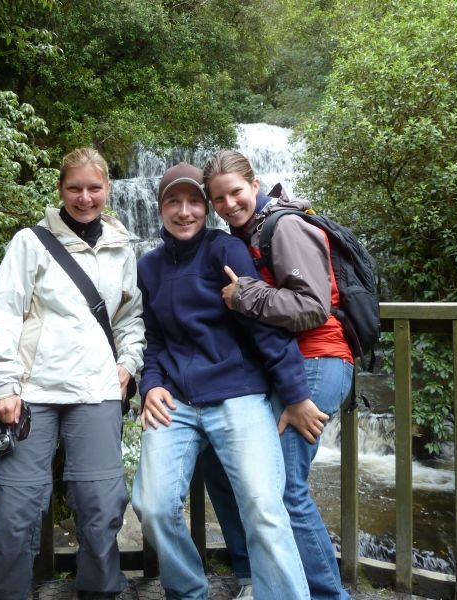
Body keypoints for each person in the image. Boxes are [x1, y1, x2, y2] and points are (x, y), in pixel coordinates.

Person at [131, 162, 312, 600]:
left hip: (238, 395)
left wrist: (295, 394)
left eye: (194, 201)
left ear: (206, 208)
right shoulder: (149, 267)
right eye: (174, 202)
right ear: (159, 209)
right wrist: (150, 384)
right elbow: (153, 339)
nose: (185, 211)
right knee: (152, 506)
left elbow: (261, 325)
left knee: (265, 509)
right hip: (174, 401)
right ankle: (188, 591)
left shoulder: (225, 251)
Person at [0, 147, 145, 600]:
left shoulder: (120, 247)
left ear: (108, 190)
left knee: (101, 501)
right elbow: (4, 314)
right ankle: (5, 593)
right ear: (60, 190)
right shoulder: (30, 243)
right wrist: (3, 383)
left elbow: (130, 317)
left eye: (94, 188)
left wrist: (128, 365)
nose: (85, 197)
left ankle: (99, 590)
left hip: (98, 389)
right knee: (15, 502)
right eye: (75, 188)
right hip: (32, 390)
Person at [201, 149, 354, 600]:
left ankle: (328, 595)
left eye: (235, 193)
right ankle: (260, 578)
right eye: (219, 199)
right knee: (229, 464)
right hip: (285, 368)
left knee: (286, 487)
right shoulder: (245, 234)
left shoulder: (283, 225)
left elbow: (312, 308)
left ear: (255, 184)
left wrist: (245, 294)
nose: (229, 205)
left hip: (317, 363)